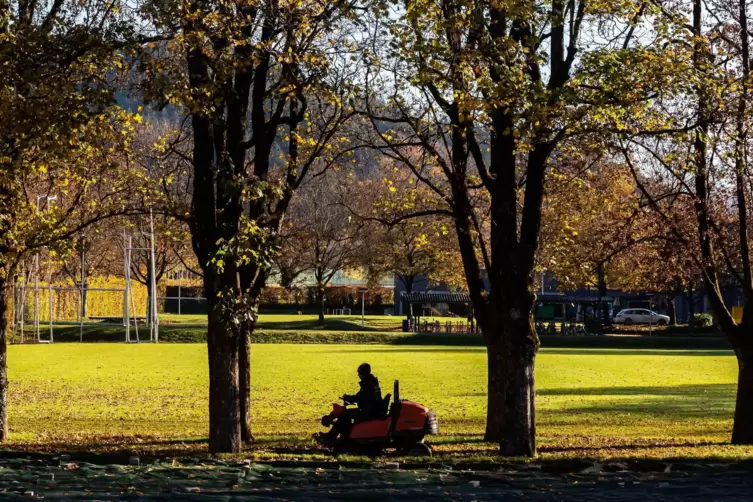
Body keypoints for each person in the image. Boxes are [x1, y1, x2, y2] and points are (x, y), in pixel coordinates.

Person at [316, 363, 382, 444]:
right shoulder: (371, 382)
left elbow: (360, 397)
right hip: (371, 409)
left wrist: (348, 398)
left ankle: (331, 437)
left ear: (362, 374)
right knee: (346, 414)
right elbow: (361, 397)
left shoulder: (368, 384)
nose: (358, 375)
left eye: (359, 373)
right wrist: (351, 398)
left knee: (345, 415)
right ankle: (335, 435)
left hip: (369, 411)